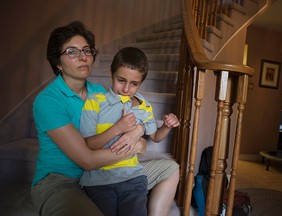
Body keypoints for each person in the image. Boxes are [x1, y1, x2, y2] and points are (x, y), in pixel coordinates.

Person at [31, 20, 179, 216]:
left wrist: (140, 130)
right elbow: (88, 161)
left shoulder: (100, 93)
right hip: (62, 181)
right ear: (58, 63)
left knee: (170, 168)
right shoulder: (48, 101)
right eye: (72, 52)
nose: (83, 56)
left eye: (86, 50)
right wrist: (136, 146)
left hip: (107, 171)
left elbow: (137, 129)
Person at [79, 47, 180, 216]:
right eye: (121, 80)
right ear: (111, 75)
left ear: (141, 83)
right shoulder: (95, 101)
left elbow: (155, 137)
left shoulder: (144, 105)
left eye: (134, 84)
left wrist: (166, 127)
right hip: (99, 180)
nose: (126, 89)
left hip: (133, 179)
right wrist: (118, 128)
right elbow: (89, 144)